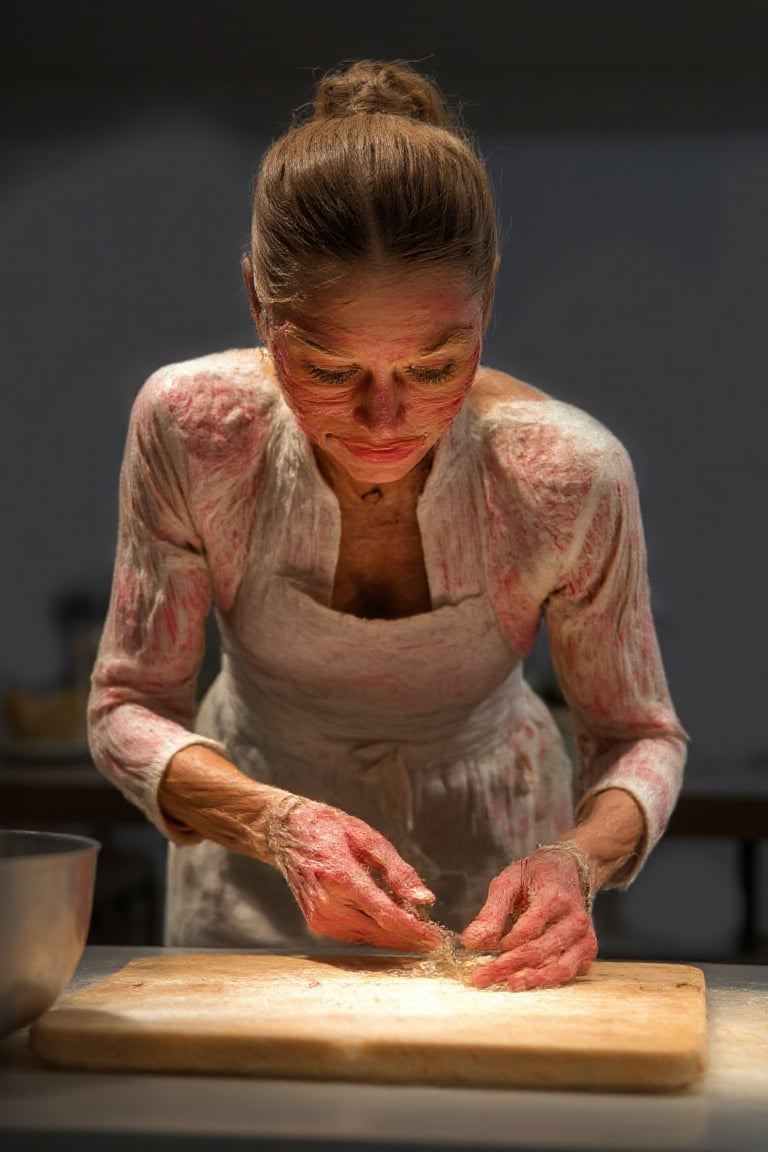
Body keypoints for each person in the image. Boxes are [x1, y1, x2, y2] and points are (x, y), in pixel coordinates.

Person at [88, 58, 687, 992]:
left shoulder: (567, 474)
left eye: (435, 368)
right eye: (327, 371)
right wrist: (276, 825)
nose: (383, 422)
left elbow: (641, 734)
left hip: (499, 849)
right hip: (251, 853)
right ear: (257, 302)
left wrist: (575, 862)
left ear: (487, 299)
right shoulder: (195, 431)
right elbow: (125, 707)